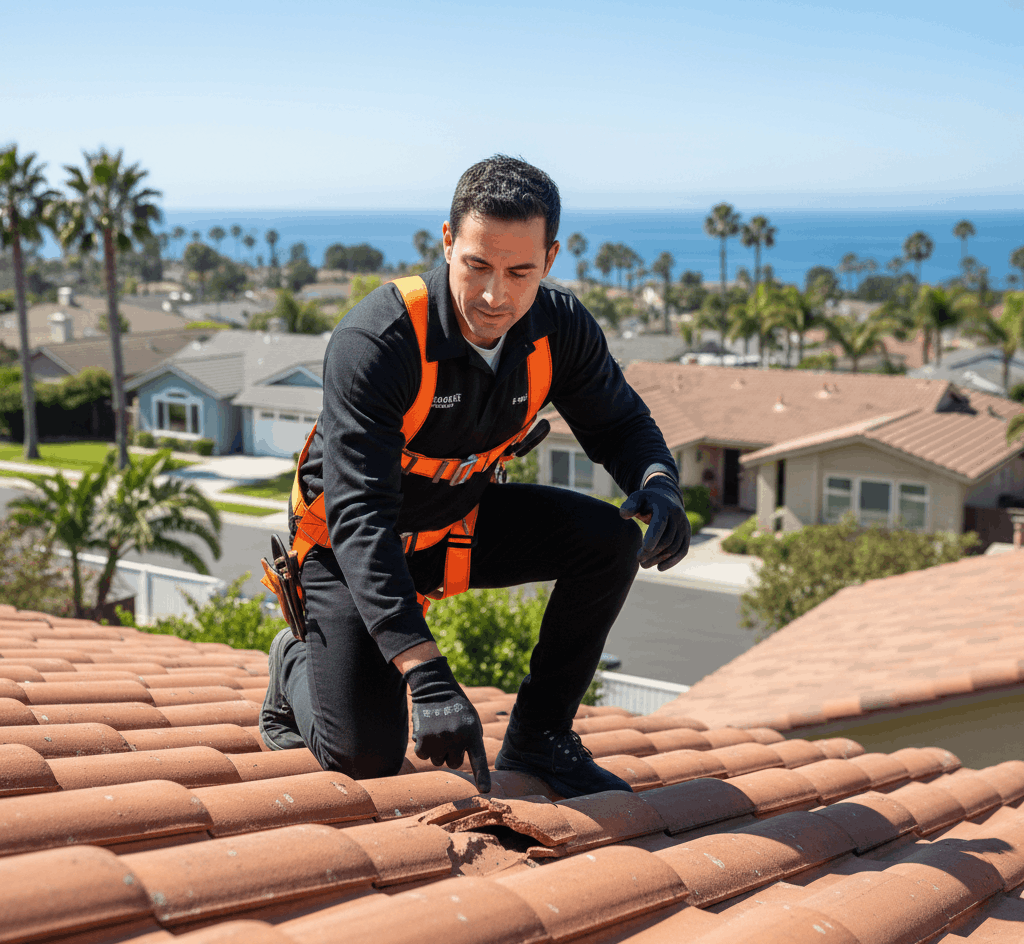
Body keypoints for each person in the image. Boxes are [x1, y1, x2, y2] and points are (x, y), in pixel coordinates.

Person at [260, 155, 690, 798]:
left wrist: (659, 483)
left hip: (453, 524)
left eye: (520, 272)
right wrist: (424, 669)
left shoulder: (560, 330)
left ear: (550, 259)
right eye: (478, 265)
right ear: (446, 242)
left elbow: (622, 427)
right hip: (348, 546)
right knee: (366, 757)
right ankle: (292, 662)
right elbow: (358, 519)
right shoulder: (378, 340)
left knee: (610, 538)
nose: (495, 295)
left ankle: (542, 738)